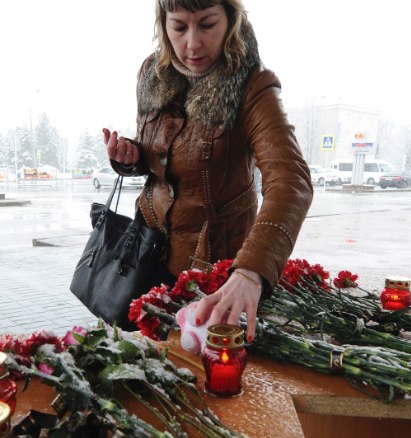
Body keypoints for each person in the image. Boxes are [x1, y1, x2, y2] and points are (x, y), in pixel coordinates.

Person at [103, 0, 313, 342]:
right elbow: (162, 155)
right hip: (146, 253)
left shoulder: (253, 86)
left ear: (230, 20)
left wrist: (251, 271)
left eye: (207, 24)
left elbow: (291, 180)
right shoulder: (151, 73)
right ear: (163, 24)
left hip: (214, 274)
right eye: (180, 27)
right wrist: (132, 157)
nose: (192, 44)